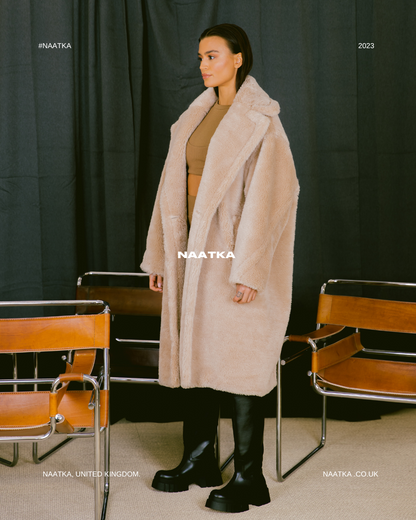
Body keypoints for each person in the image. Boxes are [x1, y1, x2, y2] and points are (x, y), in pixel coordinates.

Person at [140, 23, 299, 513]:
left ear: (238, 59)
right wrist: (161, 254)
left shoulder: (261, 121)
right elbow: (170, 191)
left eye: (212, 56)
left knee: (241, 362)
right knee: (197, 354)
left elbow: (272, 200)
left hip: (232, 258)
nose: (203, 65)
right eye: (201, 57)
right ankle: (200, 459)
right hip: (191, 253)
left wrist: (249, 269)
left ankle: (250, 477)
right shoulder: (194, 116)